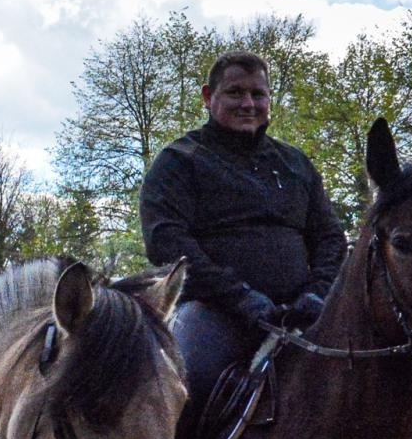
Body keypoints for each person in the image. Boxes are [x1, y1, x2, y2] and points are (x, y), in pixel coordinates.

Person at [139, 50, 346, 409]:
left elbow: (330, 238)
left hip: (301, 315)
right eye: (235, 93)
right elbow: (167, 245)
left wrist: (318, 294)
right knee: (188, 387)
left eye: (258, 94)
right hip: (214, 314)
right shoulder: (180, 161)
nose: (248, 103)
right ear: (208, 96)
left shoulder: (295, 163)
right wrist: (242, 298)